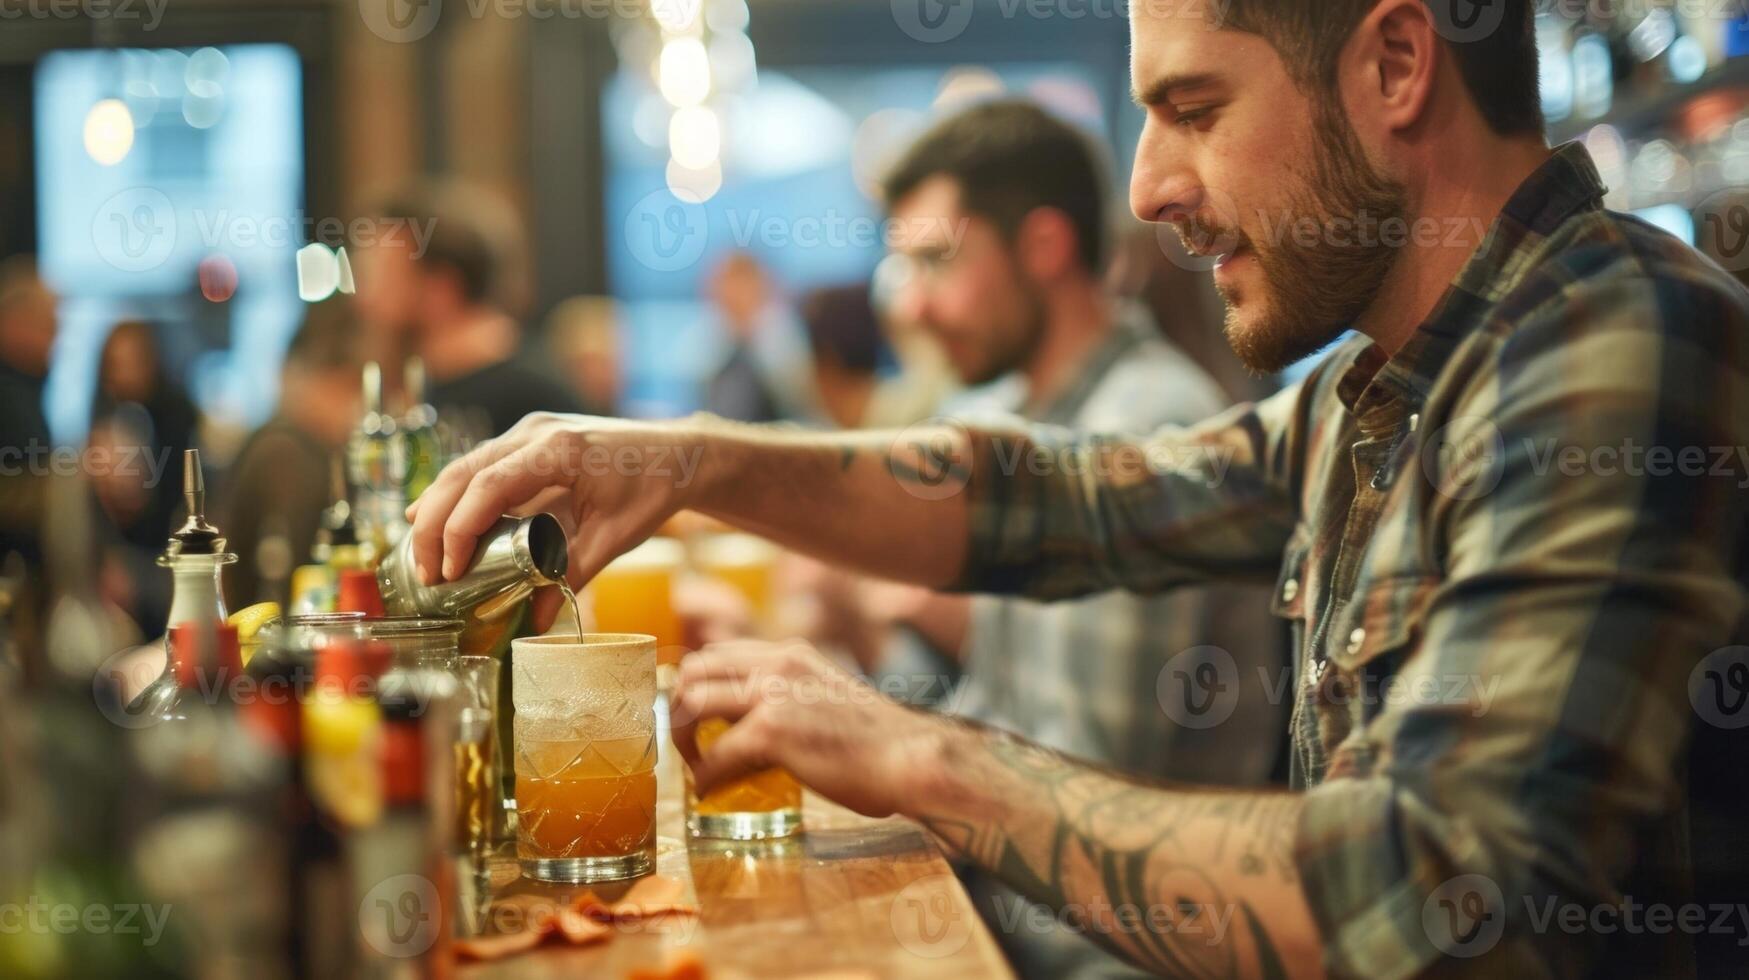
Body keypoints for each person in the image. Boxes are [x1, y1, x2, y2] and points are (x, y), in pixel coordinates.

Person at [408, 1, 1749, 975]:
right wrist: (681, 458)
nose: (1153, 185)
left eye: (1194, 109)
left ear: (1398, 64)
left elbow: (1438, 898)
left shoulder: (1611, 341)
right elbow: (1051, 499)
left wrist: (919, 754)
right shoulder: (1371, 393)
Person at [857, 99, 1289, 979]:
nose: (916, 304)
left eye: (938, 260)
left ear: (1044, 246)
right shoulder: (1025, 415)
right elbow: (996, 715)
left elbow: (1083, 778)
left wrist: (864, 734)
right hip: (1012, 924)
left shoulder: (1142, 425)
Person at [355, 181, 583, 444]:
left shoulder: (536, 400)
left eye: (381, 273)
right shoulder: (414, 387)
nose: (364, 295)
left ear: (441, 287)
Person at [221, 301, 364, 608]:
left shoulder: (298, 448)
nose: (360, 411)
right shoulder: (285, 454)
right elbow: (285, 580)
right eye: (354, 390)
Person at [701, 251, 812, 423]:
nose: (732, 294)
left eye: (740, 285)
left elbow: (797, 398)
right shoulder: (711, 339)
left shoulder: (781, 335)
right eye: (725, 285)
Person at [0, 259, 56, 575]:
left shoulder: (25, 390)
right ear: (13, 323)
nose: (54, 343)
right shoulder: (9, 396)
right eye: (47, 327)